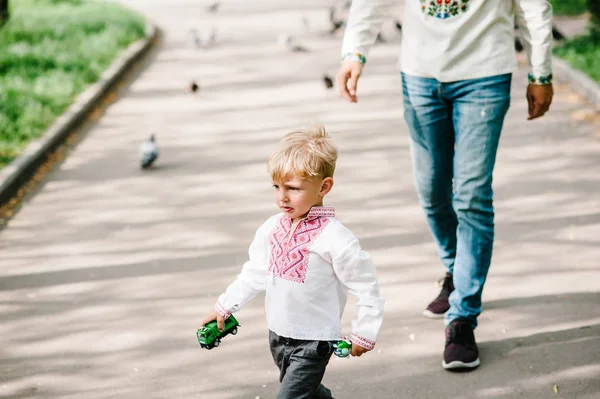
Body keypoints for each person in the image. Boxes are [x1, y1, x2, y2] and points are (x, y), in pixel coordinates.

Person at [336, 0, 554, 371]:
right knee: (433, 192)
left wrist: (541, 72)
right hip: (420, 77)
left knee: (471, 197)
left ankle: (463, 318)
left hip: (485, 75)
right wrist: (355, 51)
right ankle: (456, 270)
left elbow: (535, 6)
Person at [200, 126, 385, 398]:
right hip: (278, 334)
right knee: (307, 392)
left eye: (293, 188)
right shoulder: (271, 228)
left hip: (315, 340)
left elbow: (366, 285)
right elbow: (254, 273)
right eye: (276, 186)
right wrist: (225, 305)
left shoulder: (336, 238)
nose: (282, 196)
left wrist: (364, 332)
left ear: (324, 187)